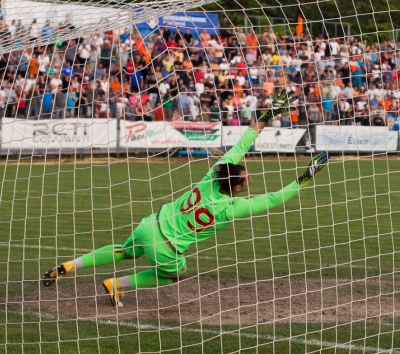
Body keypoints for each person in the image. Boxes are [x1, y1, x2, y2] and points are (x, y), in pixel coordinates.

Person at [42, 93, 329, 306]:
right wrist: (306, 177)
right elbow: (275, 199)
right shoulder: (230, 208)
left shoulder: (212, 176)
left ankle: (69, 266)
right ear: (237, 187)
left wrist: (266, 115)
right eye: (246, 178)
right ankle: (118, 283)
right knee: (173, 276)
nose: (249, 178)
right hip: (166, 248)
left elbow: (243, 143)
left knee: (125, 251)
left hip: (149, 224)